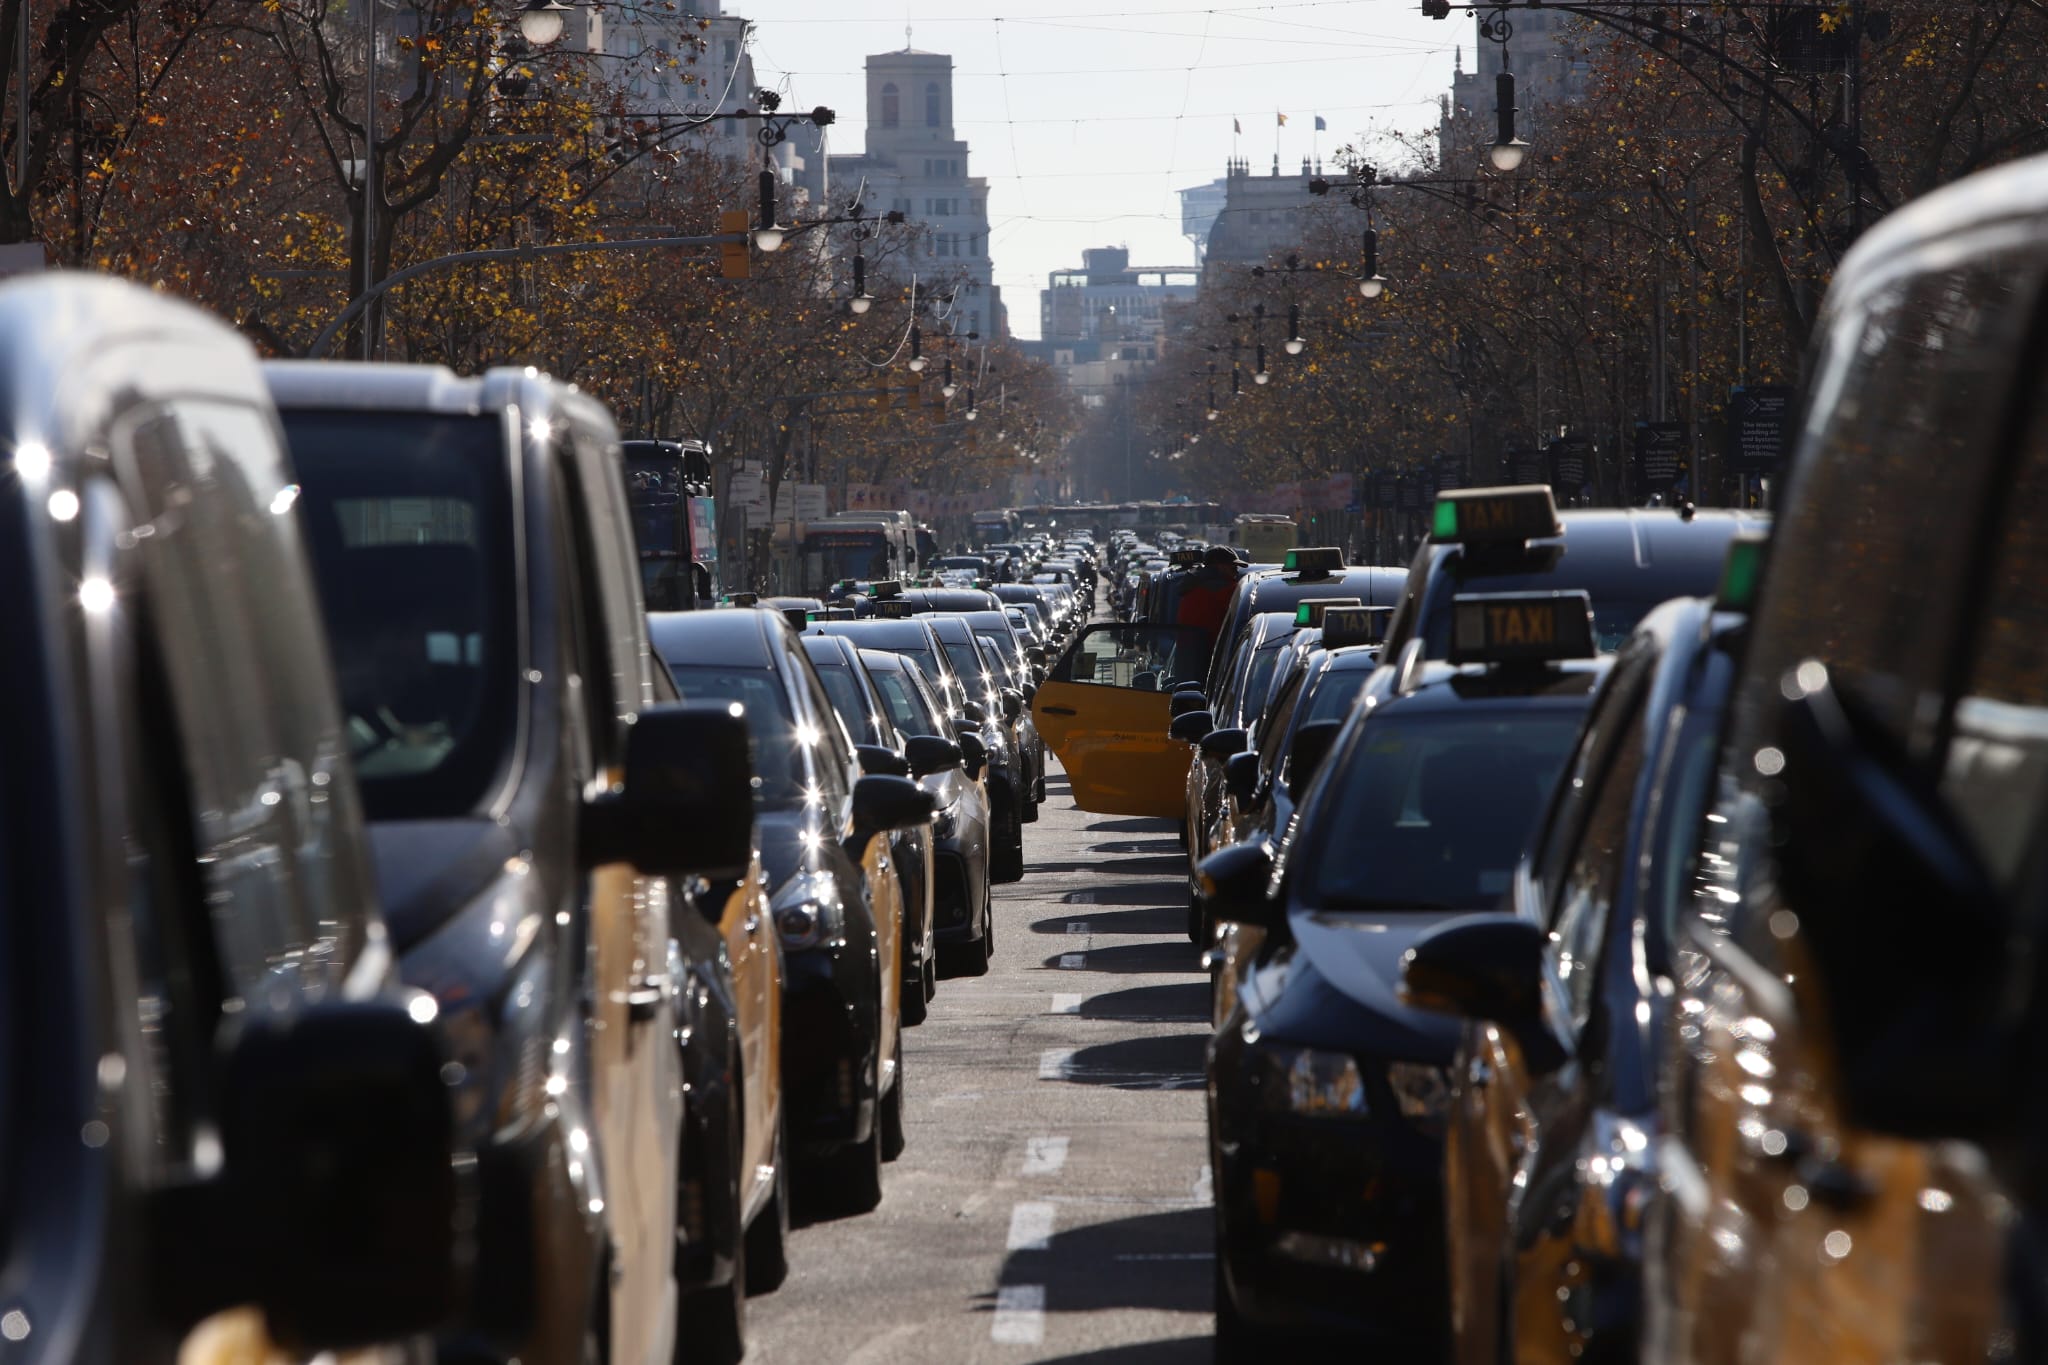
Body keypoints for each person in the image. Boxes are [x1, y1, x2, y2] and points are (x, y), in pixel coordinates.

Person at [1175, 545, 1242, 643]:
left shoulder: (1191, 587)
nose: (1237, 572)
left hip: (1186, 652)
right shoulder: (1228, 589)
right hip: (1212, 653)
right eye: (1233, 568)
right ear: (1220, 567)